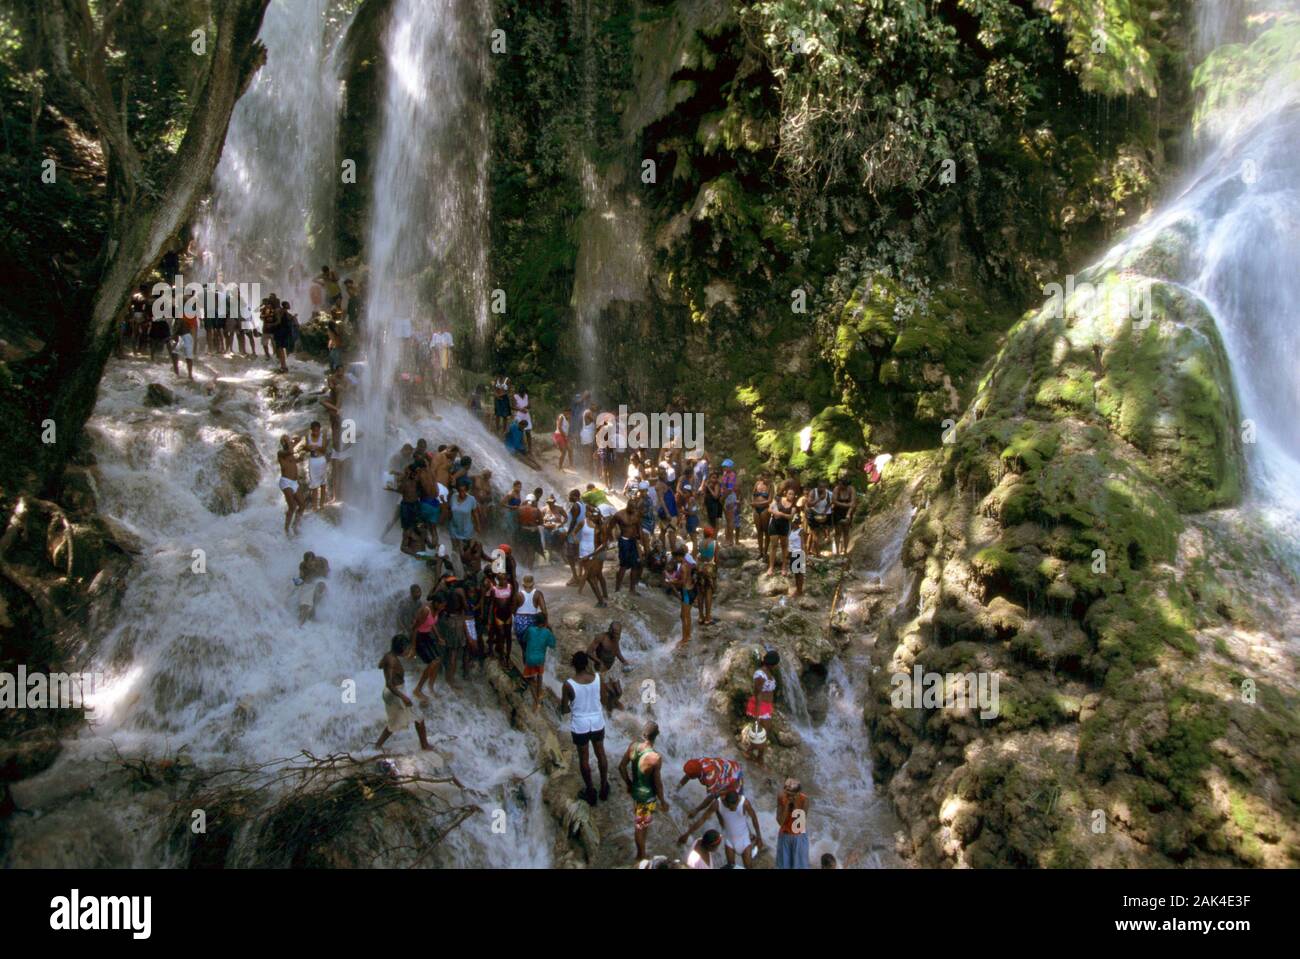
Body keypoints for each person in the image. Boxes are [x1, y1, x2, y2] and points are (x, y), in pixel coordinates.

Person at [560, 651, 608, 806]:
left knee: (584, 759)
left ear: (573, 665)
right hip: (597, 722)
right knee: (601, 753)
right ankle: (604, 786)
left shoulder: (568, 684)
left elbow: (564, 709)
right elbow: (603, 699)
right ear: (587, 663)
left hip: (580, 725)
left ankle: (590, 791)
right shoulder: (598, 679)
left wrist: (572, 708)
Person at [619, 722, 669, 862]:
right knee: (640, 827)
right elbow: (658, 784)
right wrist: (663, 801)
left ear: (643, 734)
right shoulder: (655, 758)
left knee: (642, 823)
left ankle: (641, 851)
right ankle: (641, 855)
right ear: (656, 736)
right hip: (647, 797)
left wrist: (629, 784)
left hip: (636, 792)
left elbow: (621, 767)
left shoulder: (633, 746)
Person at [678, 791, 763, 869]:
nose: (735, 809)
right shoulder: (717, 804)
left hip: (744, 839)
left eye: (736, 806)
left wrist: (759, 836)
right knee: (730, 867)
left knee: (749, 867)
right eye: (732, 807)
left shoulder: (744, 803)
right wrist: (687, 833)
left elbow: (754, 818)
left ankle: (753, 852)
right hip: (729, 841)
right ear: (727, 802)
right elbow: (703, 819)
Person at [376, 635, 432, 751]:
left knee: (393, 723)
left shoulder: (388, 656)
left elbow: (380, 665)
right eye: (406, 649)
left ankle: (377, 745)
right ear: (400, 648)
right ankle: (425, 746)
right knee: (419, 718)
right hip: (396, 693)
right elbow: (389, 684)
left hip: (392, 693)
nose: (408, 651)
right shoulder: (392, 661)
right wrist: (404, 697)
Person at [408, 591, 442, 703]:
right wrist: (413, 647)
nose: (443, 607)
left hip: (427, 635)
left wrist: (438, 637)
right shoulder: (425, 610)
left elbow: (432, 624)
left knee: (438, 660)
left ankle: (430, 686)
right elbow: (414, 628)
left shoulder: (437, 609)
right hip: (418, 636)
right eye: (442, 605)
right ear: (436, 603)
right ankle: (418, 689)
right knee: (432, 662)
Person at [679, 756, 743, 816]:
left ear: (695, 776)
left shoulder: (709, 777)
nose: (687, 775)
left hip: (735, 773)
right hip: (727, 766)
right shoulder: (698, 762)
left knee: (730, 802)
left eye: (690, 775)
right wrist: (676, 788)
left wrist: (696, 810)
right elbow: (687, 776)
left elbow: (710, 797)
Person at [586, 621, 627, 711]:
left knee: (619, 692)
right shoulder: (601, 637)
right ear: (610, 631)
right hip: (602, 668)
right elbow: (589, 652)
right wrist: (598, 661)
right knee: (611, 692)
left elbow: (617, 650)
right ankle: (609, 710)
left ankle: (614, 702)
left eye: (619, 634)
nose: (617, 636)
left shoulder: (616, 638)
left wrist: (624, 661)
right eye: (616, 633)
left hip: (612, 666)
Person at [747, 649, 779, 764]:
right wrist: (758, 714)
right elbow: (757, 694)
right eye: (776, 664)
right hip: (761, 706)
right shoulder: (760, 675)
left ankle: (750, 751)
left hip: (767, 706)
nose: (776, 667)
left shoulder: (768, 672)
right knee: (763, 735)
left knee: (763, 733)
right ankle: (759, 758)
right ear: (771, 664)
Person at [520, 610, 556, 710]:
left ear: (535, 622)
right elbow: (553, 644)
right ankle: (538, 695)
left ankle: (532, 689)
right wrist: (550, 630)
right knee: (540, 675)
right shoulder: (547, 632)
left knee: (529, 675)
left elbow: (524, 639)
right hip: (540, 660)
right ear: (545, 622)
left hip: (529, 658)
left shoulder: (530, 630)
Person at [776, 778, 810, 869]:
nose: (788, 796)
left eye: (791, 795)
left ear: (798, 794)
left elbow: (799, 826)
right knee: (783, 866)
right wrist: (786, 806)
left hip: (799, 836)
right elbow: (780, 822)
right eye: (787, 794)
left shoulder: (804, 800)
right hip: (785, 835)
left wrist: (794, 805)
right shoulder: (781, 797)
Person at [666, 544, 695, 648]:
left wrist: (672, 582)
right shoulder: (688, 563)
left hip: (686, 592)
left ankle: (685, 639)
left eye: (675, 557)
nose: (674, 559)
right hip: (691, 590)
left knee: (684, 616)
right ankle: (688, 635)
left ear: (679, 556)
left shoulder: (682, 566)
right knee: (687, 615)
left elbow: (683, 582)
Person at [613, 500, 644, 596]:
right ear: (628, 506)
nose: (634, 510)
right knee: (623, 565)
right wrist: (615, 534)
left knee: (635, 565)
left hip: (633, 541)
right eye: (632, 508)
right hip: (624, 541)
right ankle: (617, 589)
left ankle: (632, 589)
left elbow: (639, 527)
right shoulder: (619, 515)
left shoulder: (637, 514)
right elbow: (611, 526)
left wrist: (640, 540)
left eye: (635, 508)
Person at [276, 434, 306, 536]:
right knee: (292, 506)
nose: (288, 441)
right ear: (283, 443)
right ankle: (286, 529)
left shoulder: (290, 453)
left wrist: (300, 458)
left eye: (287, 439)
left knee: (302, 505)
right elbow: (290, 452)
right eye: (285, 440)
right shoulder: (281, 453)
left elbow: (299, 438)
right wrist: (290, 442)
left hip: (294, 482)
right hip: (285, 482)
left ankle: (295, 525)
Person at [512, 574, 546, 653]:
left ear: (523, 584)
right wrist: (546, 622)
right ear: (533, 583)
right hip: (532, 622)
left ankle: (525, 662)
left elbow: (513, 611)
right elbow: (544, 610)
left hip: (519, 622)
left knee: (524, 648)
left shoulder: (518, 595)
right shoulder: (538, 594)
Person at [766, 489, 795, 576]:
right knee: (773, 545)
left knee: (784, 546)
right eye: (790, 494)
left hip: (785, 526)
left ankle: (784, 567)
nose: (791, 496)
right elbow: (769, 509)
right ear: (786, 494)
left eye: (793, 494)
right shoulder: (778, 499)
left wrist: (781, 514)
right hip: (774, 524)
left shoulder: (793, 506)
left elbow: (790, 517)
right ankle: (771, 567)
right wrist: (776, 512)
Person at [303, 421, 331, 510]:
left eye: (317, 430)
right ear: (311, 430)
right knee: (314, 484)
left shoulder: (323, 436)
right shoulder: (308, 436)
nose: (316, 432)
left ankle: (322, 504)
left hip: (321, 460)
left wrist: (317, 447)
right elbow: (305, 448)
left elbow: (324, 449)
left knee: (323, 483)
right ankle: (315, 506)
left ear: (319, 429)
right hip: (312, 460)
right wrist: (309, 447)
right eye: (314, 431)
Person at [448, 478, 480, 552]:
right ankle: (455, 562)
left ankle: (463, 562)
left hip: (466, 529)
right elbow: (449, 509)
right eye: (460, 491)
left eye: (464, 491)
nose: (462, 493)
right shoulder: (453, 497)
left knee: (465, 550)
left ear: (467, 490)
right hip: (453, 527)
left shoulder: (472, 499)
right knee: (455, 549)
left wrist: (478, 526)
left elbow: (475, 513)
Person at [695, 526, 718, 625]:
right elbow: (716, 559)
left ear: (704, 534)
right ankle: (708, 618)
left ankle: (700, 617)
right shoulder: (714, 543)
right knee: (708, 592)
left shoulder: (700, 543)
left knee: (700, 592)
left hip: (700, 568)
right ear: (711, 534)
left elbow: (697, 555)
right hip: (709, 568)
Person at [807, 478, 833, 556]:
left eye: (823, 487)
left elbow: (829, 503)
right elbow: (809, 504)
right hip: (813, 513)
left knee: (824, 532)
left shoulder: (828, 493)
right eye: (820, 487)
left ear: (825, 487)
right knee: (814, 534)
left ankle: (817, 550)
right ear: (817, 487)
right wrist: (819, 499)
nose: (821, 489)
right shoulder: (813, 492)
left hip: (823, 515)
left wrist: (825, 512)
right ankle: (817, 553)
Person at [832, 473, 856, 556]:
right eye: (839, 483)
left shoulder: (851, 489)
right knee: (837, 531)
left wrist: (848, 514)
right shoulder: (836, 489)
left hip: (848, 511)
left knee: (846, 531)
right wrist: (845, 505)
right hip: (838, 511)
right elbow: (834, 501)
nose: (839, 485)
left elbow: (853, 503)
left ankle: (845, 550)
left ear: (845, 485)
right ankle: (837, 551)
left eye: (841, 484)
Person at [752, 472, 772, 560]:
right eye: (765, 476)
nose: (766, 478)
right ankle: (760, 552)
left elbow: (770, 500)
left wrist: (758, 503)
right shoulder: (757, 483)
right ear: (762, 476)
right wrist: (753, 503)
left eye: (768, 476)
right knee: (759, 531)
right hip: (756, 509)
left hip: (765, 509)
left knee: (766, 531)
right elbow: (753, 495)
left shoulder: (771, 486)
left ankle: (765, 553)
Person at [788, 515, 806, 598]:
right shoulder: (791, 531)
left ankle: (800, 590)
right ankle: (797, 589)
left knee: (800, 573)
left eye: (796, 523)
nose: (794, 524)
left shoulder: (801, 531)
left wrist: (804, 554)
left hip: (799, 552)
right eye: (794, 522)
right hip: (792, 553)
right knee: (796, 573)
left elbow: (802, 543)